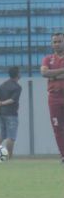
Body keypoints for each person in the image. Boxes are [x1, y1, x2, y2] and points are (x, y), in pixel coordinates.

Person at [40, 32, 64, 164]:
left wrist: (52, 75)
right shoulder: (47, 59)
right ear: (51, 44)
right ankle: (63, 155)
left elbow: (49, 74)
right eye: (55, 42)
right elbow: (44, 72)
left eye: (59, 41)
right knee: (57, 127)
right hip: (54, 98)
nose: (57, 44)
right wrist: (62, 71)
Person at [0, 66, 22, 159]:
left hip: (1, 114)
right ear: (17, 75)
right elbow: (12, 100)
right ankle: (9, 157)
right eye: (19, 72)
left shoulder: (3, 85)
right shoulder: (17, 87)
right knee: (11, 137)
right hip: (11, 114)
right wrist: (2, 103)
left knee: (2, 135)